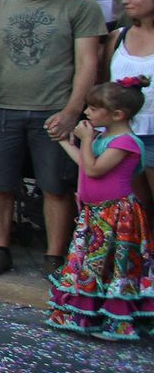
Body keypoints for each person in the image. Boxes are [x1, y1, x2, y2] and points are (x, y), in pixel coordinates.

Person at [0, 0, 105, 278]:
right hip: (1, 110)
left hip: (55, 112)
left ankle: (54, 257)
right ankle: (0, 250)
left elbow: (88, 63)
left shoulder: (81, 6)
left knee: (56, 186)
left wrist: (73, 111)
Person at [46, 78, 154, 340]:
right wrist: (64, 142)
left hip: (116, 215)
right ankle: (89, 315)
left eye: (94, 108)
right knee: (93, 266)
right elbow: (85, 164)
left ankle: (115, 320)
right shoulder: (105, 137)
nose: (87, 112)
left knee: (113, 266)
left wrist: (84, 140)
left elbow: (94, 169)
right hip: (96, 213)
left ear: (118, 114)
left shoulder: (125, 142)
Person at [103, 0, 154, 205]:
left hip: (152, 130)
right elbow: (105, 83)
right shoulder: (118, 37)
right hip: (123, 133)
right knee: (134, 204)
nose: (126, 0)